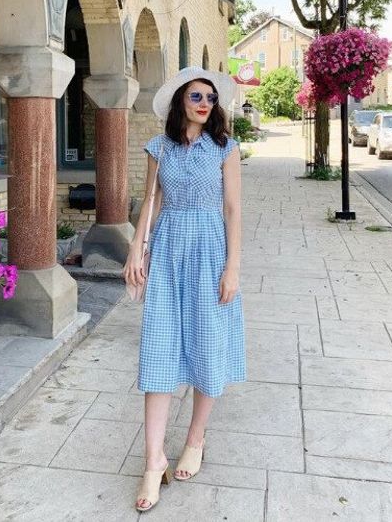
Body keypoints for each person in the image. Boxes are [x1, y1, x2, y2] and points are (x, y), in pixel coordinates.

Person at [123, 66, 245, 512]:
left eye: (210, 98)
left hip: (211, 249)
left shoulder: (225, 148)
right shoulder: (158, 148)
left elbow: (232, 209)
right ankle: (152, 459)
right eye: (196, 96)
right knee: (159, 346)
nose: (204, 104)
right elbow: (150, 202)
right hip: (170, 250)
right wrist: (136, 249)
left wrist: (233, 267)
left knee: (208, 343)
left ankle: (195, 439)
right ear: (180, 100)